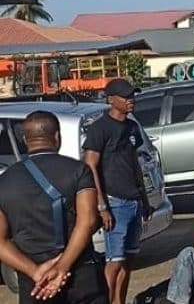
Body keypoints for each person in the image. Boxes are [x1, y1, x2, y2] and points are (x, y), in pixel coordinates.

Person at [0, 111, 108, 303]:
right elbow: (88, 220)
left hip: (36, 284)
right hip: (81, 273)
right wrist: (62, 267)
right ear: (57, 136)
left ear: (25, 139)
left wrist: (35, 272)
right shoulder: (78, 170)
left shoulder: (4, 181)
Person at [83, 78, 154, 304]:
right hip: (115, 203)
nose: (130, 100)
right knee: (114, 261)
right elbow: (90, 165)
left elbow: (134, 162)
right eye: (125, 97)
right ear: (111, 99)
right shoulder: (100, 128)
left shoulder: (132, 127)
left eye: (132, 95)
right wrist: (102, 205)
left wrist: (144, 198)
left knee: (129, 259)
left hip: (133, 201)